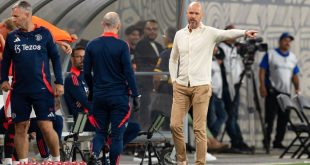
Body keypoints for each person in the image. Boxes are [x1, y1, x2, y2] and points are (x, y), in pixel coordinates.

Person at [169, 2, 257, 164]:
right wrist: (174, 80)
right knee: (175, 125)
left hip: (201, 86)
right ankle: (181, 160)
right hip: (181, 86)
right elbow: (173, 59)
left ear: (201, 16)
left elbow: (228, 33)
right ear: (187, 14)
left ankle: (200, 162)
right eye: (190, 13)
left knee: (199, 128)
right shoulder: (179, 35)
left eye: (196, 13)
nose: (192, 16)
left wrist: (244, 33)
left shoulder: (209, 33)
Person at [1, 1, 64, 163]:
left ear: (27, 14)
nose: (13, 19)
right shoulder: (13, 37)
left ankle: (56, 159)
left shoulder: (44, 34)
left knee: (45, 126)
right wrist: (3, 79)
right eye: (12, 16)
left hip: (42, 89)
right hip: (19, 90)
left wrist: (59, 82)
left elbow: (56, 59)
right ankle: (22, 162)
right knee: (20, 127)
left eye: (16, 15)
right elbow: (6, 61)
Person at [84, 12, 140, 165]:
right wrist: (135, 95)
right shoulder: (122, 45)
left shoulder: (92, 45)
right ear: (118, 26)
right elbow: (128, 72)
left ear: (103, 23)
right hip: (119, 97)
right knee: (117, 136)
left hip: (99, 96)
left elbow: (86, 73)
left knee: (100, 132)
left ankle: (94, 156)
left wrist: (92, 90)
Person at [259, 32, 300, 150]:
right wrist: (262, 86)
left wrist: (297, 88)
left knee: (284, 118)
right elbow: (262, 70)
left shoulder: (292, 57)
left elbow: (295, 74)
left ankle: (278, 141)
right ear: (280, 41)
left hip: (286, 92)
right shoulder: (271, 54)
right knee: (270, 118)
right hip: (272, 91)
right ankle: (266, 141)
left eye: (289, 41)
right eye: (285, 40)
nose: (287, 43)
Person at [218, 24, 251, 151]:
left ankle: (238, 140)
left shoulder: (236, 48)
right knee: (230, 115)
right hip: (227, 86)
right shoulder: (221, 47)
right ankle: (237, 141)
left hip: (236, 85)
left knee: (233, 115)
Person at [134, 19, 163, 122]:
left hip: (158, 85)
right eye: (149, 29)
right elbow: (144, 65)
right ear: (144, 30)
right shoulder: (141, 44)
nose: (152, 31)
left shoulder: (159, 46)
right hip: (145, 84)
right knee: (145, 110)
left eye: (154, 29)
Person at [207, 46, 228, 138]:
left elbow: (222, 54)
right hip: (211, 93)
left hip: (218, 94)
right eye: (213, 47)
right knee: (211, 118)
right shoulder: (204, 60)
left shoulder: (216, 59)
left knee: (223, 116)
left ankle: (212, 137)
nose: (216, 49)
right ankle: (211, 138)